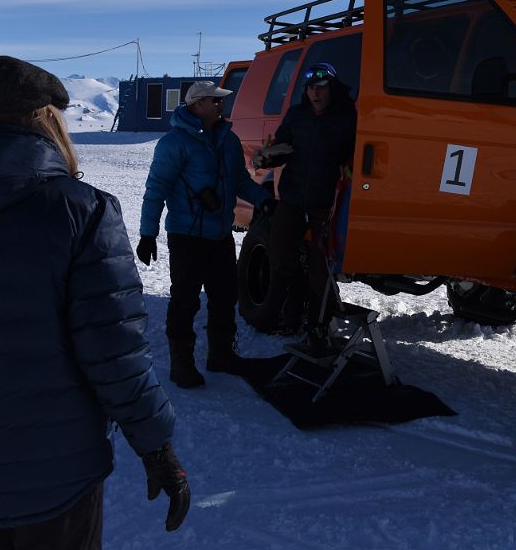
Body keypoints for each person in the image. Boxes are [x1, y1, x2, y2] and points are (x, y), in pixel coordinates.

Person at [0, 55, 189, 549]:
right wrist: (156, 446)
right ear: (49, 119)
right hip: (57, 479)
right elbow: (114, 353)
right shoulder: (82, 213)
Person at [137, 80, 274, 388]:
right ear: (198, 104)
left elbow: (239, 179)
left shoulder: (228, 139)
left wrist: (264, 199)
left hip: (220, 234)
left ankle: (221, 355)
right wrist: (148, 234)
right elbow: (155, 189)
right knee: (185, 299)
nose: (220, 105)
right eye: (215, 100)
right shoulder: (174, 143)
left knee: (225, 295)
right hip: (187, 236)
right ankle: (181, 365)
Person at [256, 62, 357, 351]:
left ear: (332, 89)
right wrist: (268, 157)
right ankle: (283, 316)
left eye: (321, 88)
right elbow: (282, 147)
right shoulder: (296, 115)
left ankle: (318, 325)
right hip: (291, 198)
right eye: (311, 88)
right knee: (281, 256)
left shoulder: (347, 118)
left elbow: (355, 154)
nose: (315, 93)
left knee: (319, 267)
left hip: (325, 204)